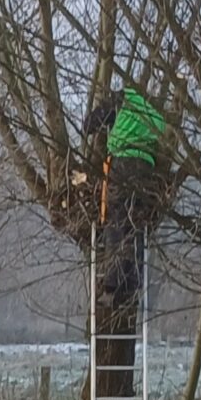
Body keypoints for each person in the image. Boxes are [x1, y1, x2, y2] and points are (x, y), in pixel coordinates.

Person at [82, 82, 167, 308]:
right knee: (136, 227)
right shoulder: (154, 110)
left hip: (122, 165)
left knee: (115, 224)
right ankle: (133, 282)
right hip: (146, 170)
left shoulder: (123, 99)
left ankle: (111, 287)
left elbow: (90, 124)